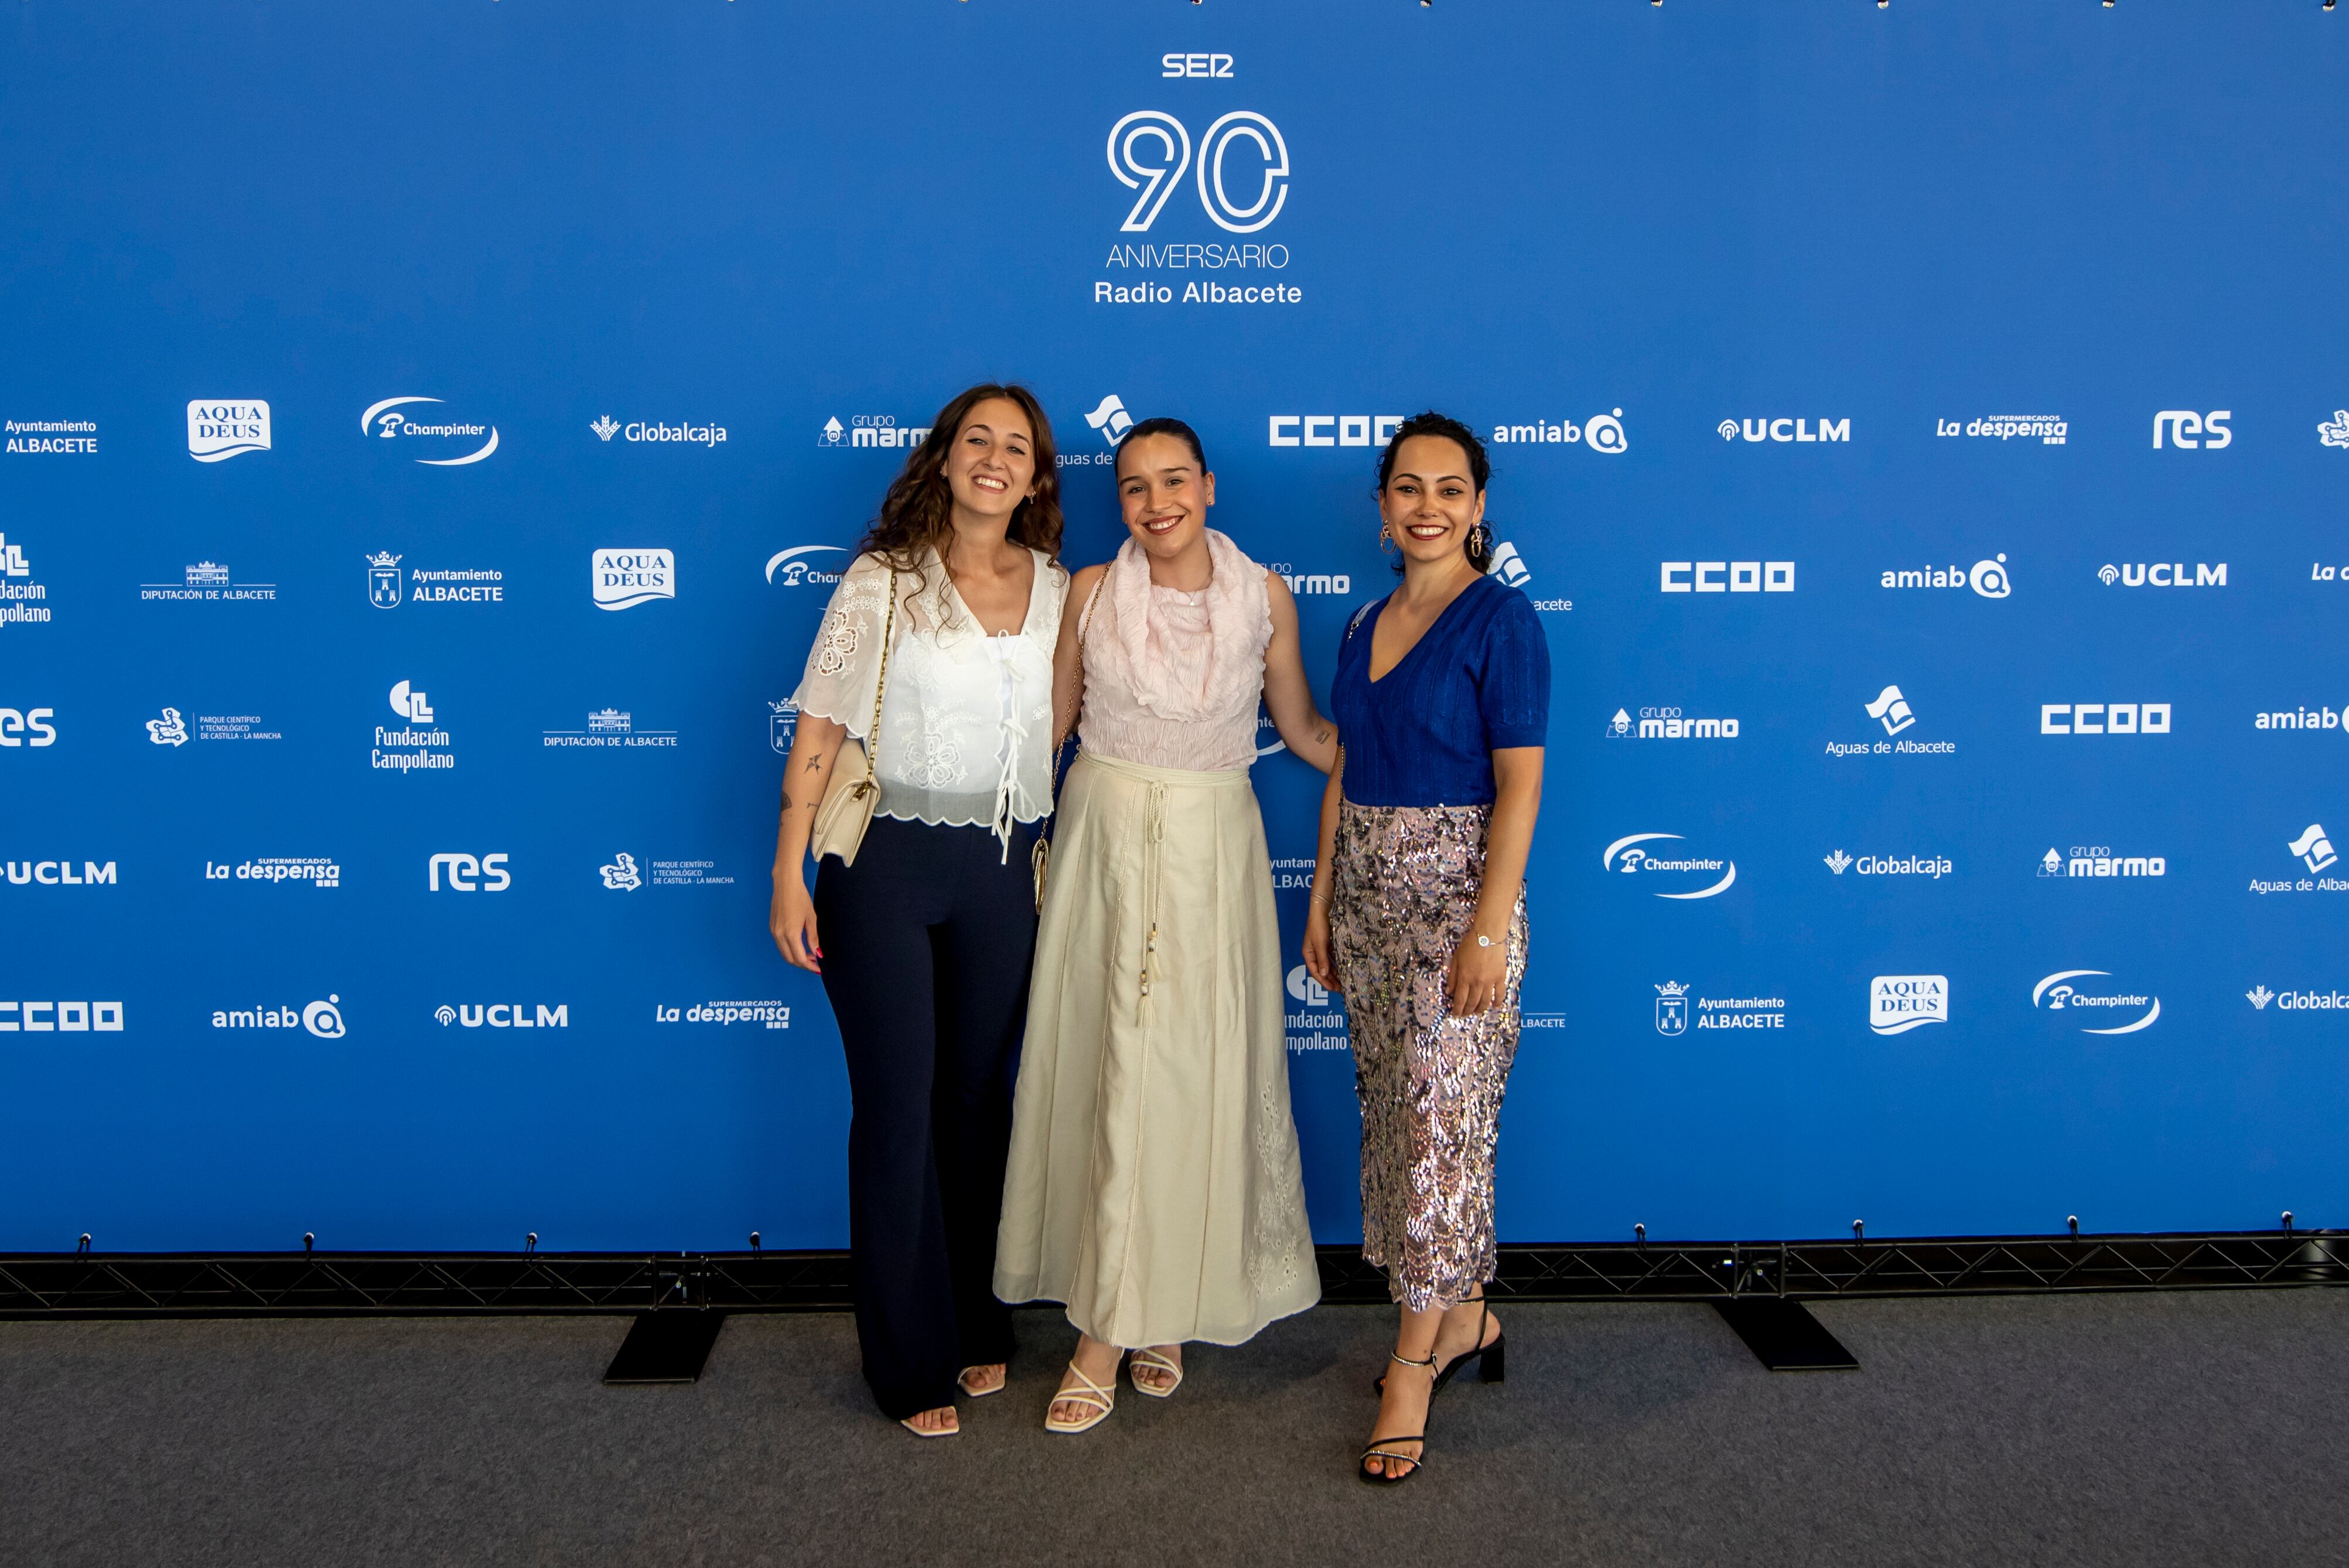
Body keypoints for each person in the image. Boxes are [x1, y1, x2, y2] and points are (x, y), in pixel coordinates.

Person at [994, 416, 1335, 1434]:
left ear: (1210, 485)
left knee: (1188, 1073)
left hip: (1208, 854)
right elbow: (1048, 730)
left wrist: (1416, 761)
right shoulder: (1091, 590)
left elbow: (1306, 730)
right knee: (1111, 1067)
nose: (1156, 503)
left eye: (1174, 480)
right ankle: (1103, 1323)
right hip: (1103, 840)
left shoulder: (1264, 596)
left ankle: (1164, 1308)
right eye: (1135, 487)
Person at [769, 384, 1069, 1438]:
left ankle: (979, 1320)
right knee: (898, 1112)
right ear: (942, 460)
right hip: (885, 862)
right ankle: (906, 1364)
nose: (994, 459)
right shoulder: (882, 580)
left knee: (977, 1101)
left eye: (1015, 447)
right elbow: (818, 725)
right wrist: (786, 868)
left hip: (1005, 869)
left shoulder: (1058, 590)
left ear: (1037, 475)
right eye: (975, 441)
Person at [1300, 412, 1549, 1484]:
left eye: (1450, 489)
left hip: (1457, 903)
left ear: (1479, 505)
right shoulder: (1360, 622)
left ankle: (1410, 1365)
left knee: (1443, 1129)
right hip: (1362, 892)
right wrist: (1318, 901)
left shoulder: (1505, 621)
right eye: (1408, 487)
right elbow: (1347, 766)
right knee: (1398, 1121)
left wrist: (1488, 925)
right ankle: (1466, 1318)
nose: (1428, 507)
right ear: (1382, 503)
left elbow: (1521, 785)